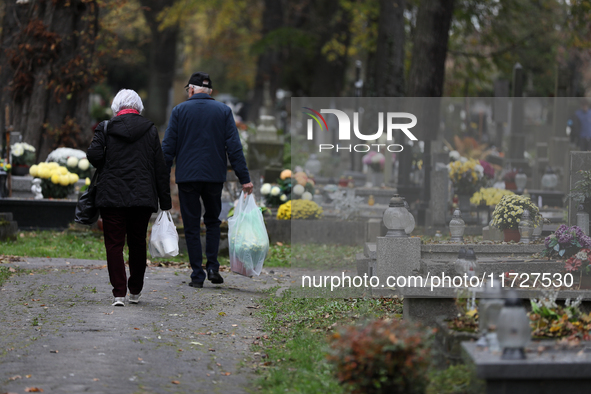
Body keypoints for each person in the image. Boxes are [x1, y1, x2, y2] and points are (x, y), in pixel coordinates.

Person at [162, 72, 253, 288]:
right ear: (209, 91)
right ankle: (212, 266)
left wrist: (162, 176)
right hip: (213, 176)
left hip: (187, 177)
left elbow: (168, 148)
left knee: (192, 225)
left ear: (191, 90)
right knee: (212, 221)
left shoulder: (179, 111)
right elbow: (234, 148)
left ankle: (197, 274)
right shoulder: (223, 111)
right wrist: (245, 179)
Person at [87, 89, 171, 306]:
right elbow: (159, 168)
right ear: (138, 107)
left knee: (114, 243)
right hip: (142, 197)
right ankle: (135, 290)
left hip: (112, 196)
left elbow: (94, 156)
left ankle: (118, 293)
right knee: (137, 242)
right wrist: (165, 202)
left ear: (116, 106)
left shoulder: (105, 128)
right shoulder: (150, 130)